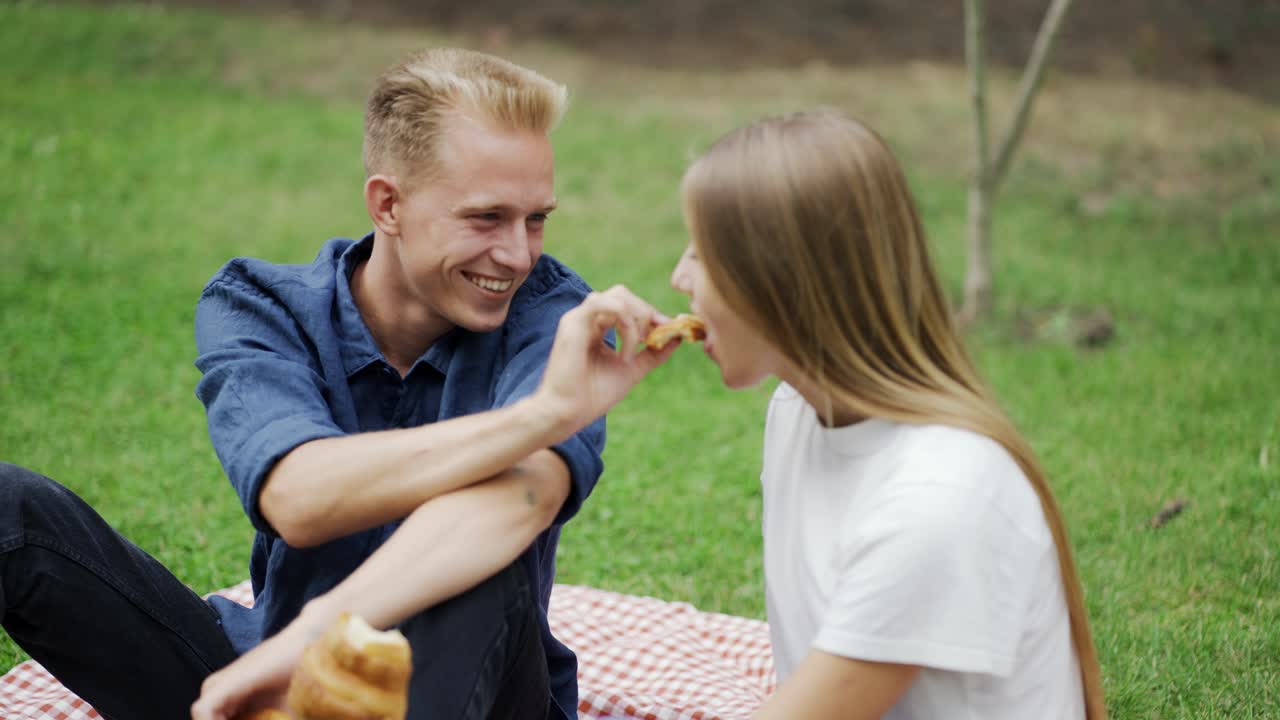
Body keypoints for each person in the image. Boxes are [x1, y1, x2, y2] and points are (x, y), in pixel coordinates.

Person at [1, 47, 675, 720]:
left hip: (484, 695)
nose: (519, 254)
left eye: (536, 219)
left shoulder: (557, 317)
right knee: (11, 508)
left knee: (476, 562)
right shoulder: (261, 306)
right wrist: (541, 415)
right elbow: (300, 495)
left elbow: (522, 500)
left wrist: (543, 424)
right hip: (280, 684)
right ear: (387, 205)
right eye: (485, 217)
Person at [520, 111, 1109, 718]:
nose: (678, 277)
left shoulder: (938, 498)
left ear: (783, 278)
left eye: (704, 254)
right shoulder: (797, 412)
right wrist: (558, 411)